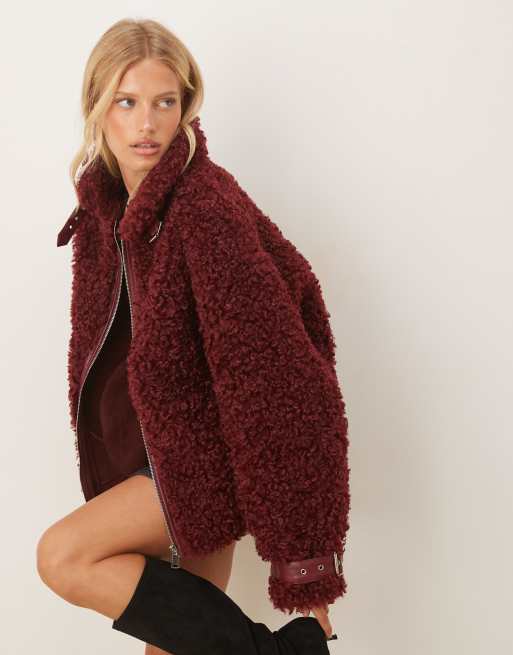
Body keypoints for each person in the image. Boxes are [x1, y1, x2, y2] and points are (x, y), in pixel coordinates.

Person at [36, 17, 350, 654]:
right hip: (154, 462)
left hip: (200, 469)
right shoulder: (104, 214)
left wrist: (304, 562)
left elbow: (275, 373)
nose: (147, 124)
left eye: (164, 102)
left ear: (185, 108)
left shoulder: (203, 208)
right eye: (127, 102)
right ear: (97, 107)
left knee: (62, 556)